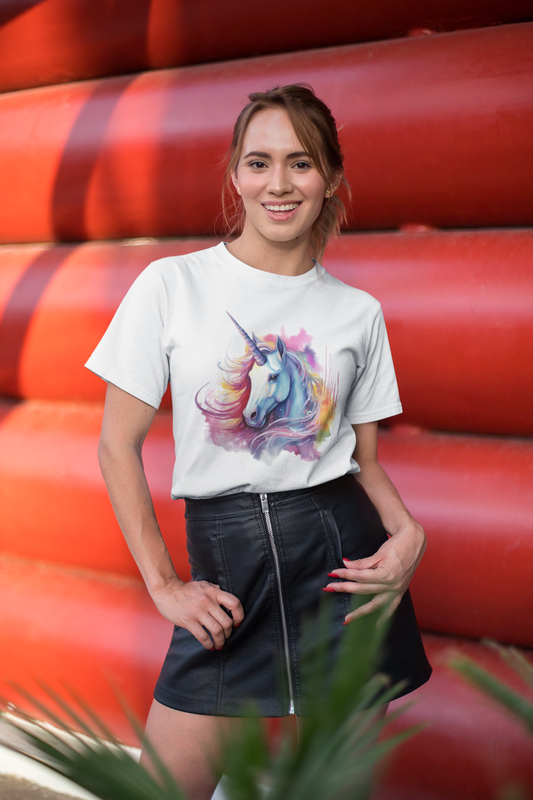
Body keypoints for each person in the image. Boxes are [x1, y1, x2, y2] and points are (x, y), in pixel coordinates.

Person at [85, 84, 431, 800]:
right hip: (228, 578)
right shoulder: (171, 286)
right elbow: (117, 445)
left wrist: (409, 536)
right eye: (259, 162)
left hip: (340, 571)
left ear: (330, 178)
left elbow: (363, 461)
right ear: (236, 175)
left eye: (300, 163)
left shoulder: (357, 313)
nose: (279, 183)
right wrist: (163, 584)